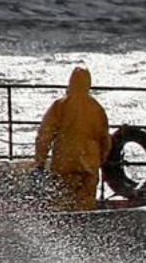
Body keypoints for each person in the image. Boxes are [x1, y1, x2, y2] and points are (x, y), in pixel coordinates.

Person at [35, 67, 112, 211]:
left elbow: (45, 135)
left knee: (62, 204)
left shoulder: (60, 106)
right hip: (89, 166)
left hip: (64, 164)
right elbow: (105, 140)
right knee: (85, 205)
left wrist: (40, 161)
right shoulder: (97, 108)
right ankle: (85, 229)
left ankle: (63, 231)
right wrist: (99, 161)